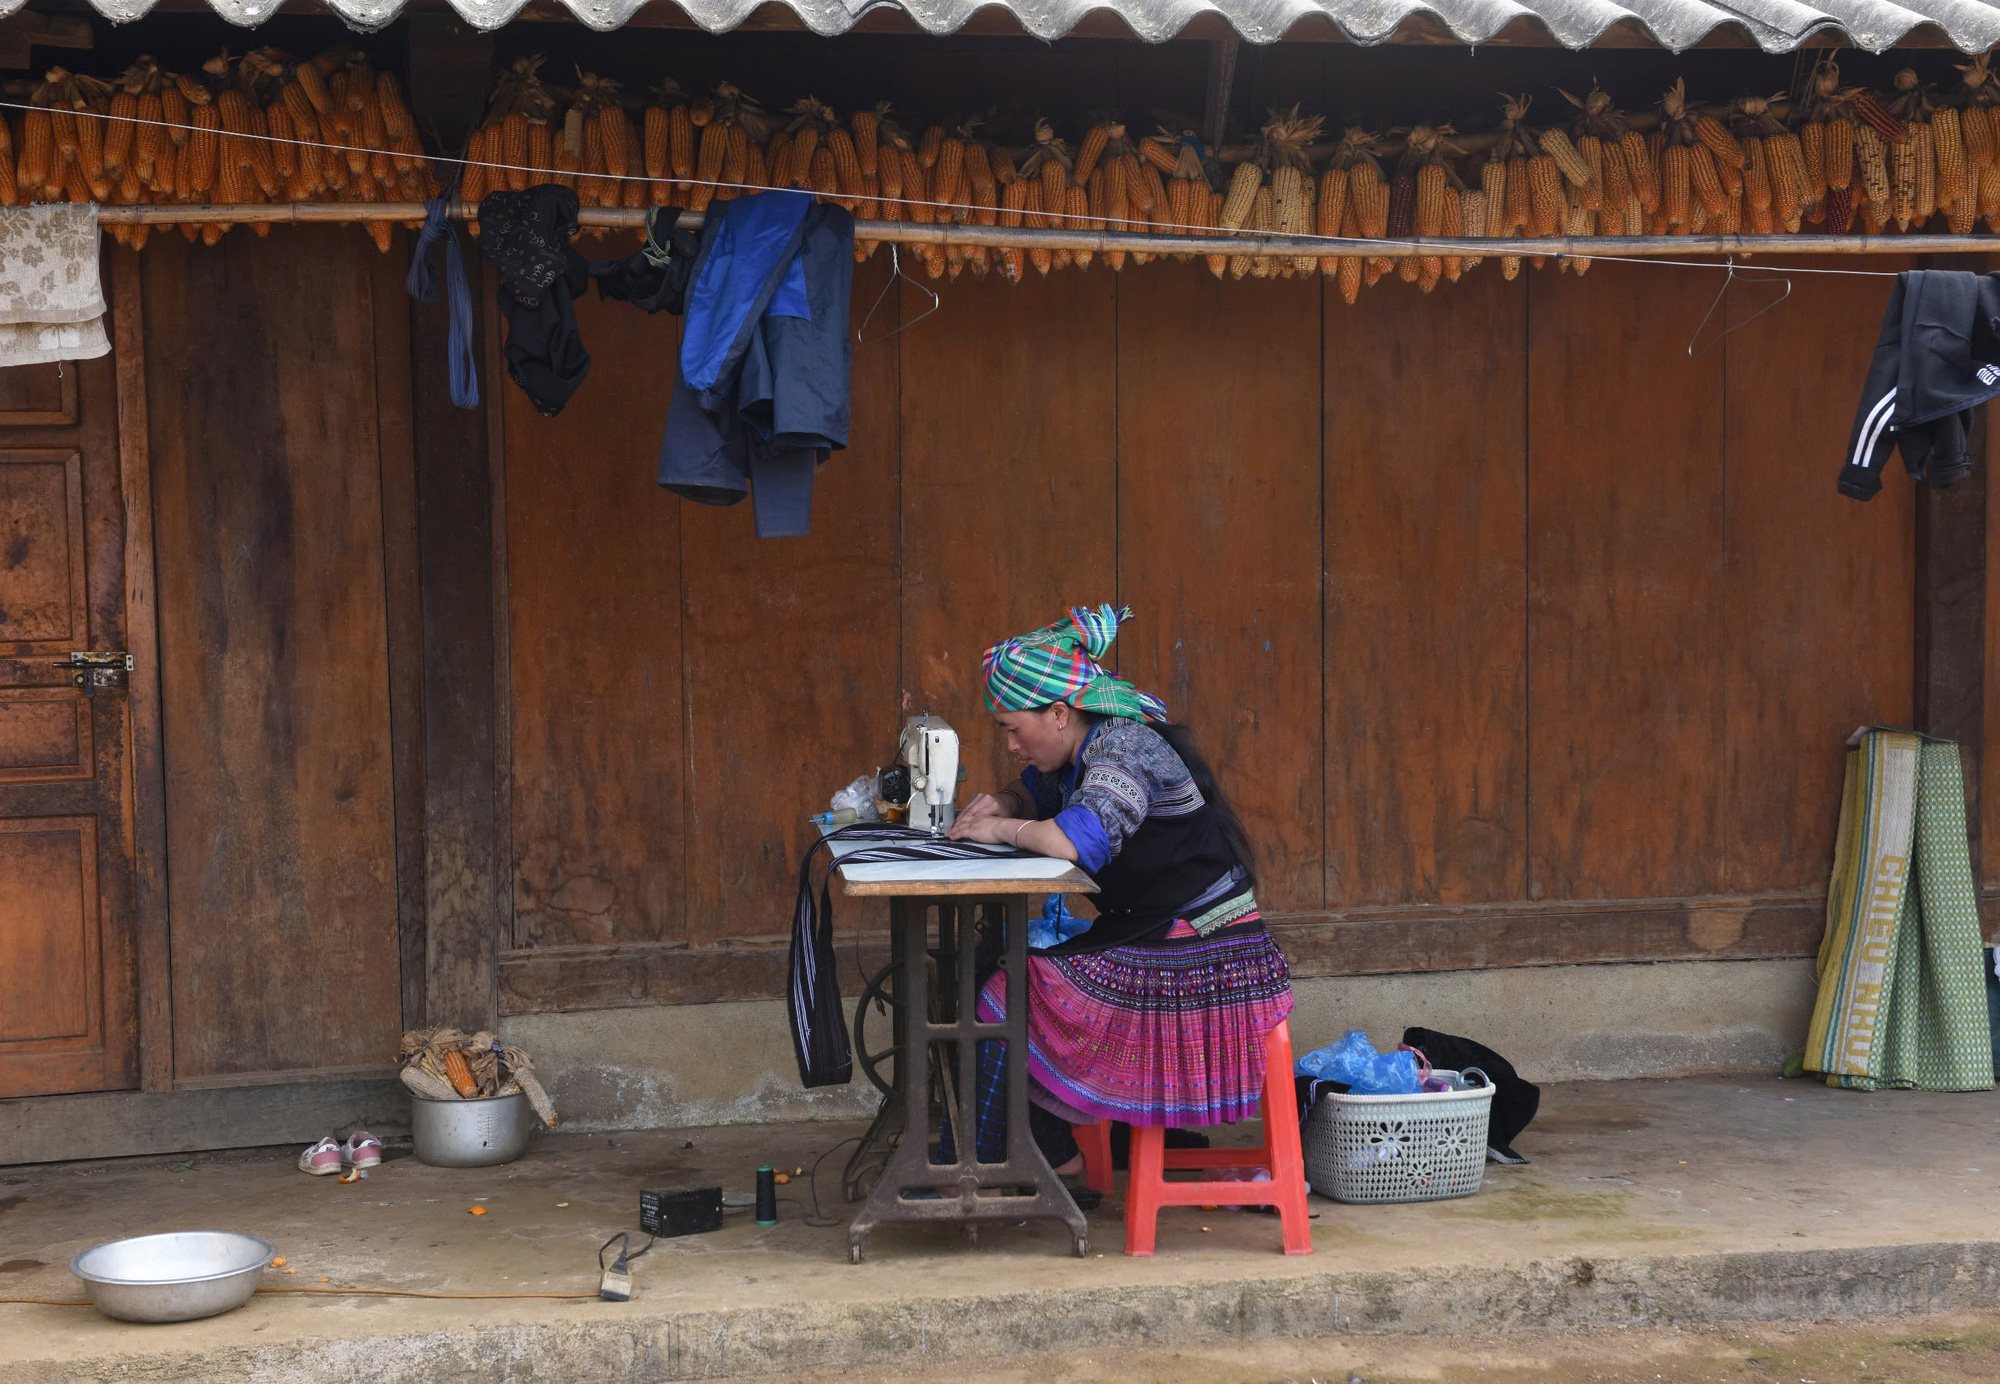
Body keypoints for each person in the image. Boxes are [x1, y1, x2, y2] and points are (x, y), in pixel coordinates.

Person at [940, 603, 1293, 1177]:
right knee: (994, 967)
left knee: (1009, 990)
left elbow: (1077, 842)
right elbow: (1036, 791)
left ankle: (994, 1169)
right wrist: (1006, 802)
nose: (1010, 746)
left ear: (1058, 714)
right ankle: (1044, 1155)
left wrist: (999, 828)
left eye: (1012, 730)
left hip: (1203, 954)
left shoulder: (1122, 750)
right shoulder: (1082, 749)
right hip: (1153, 934)